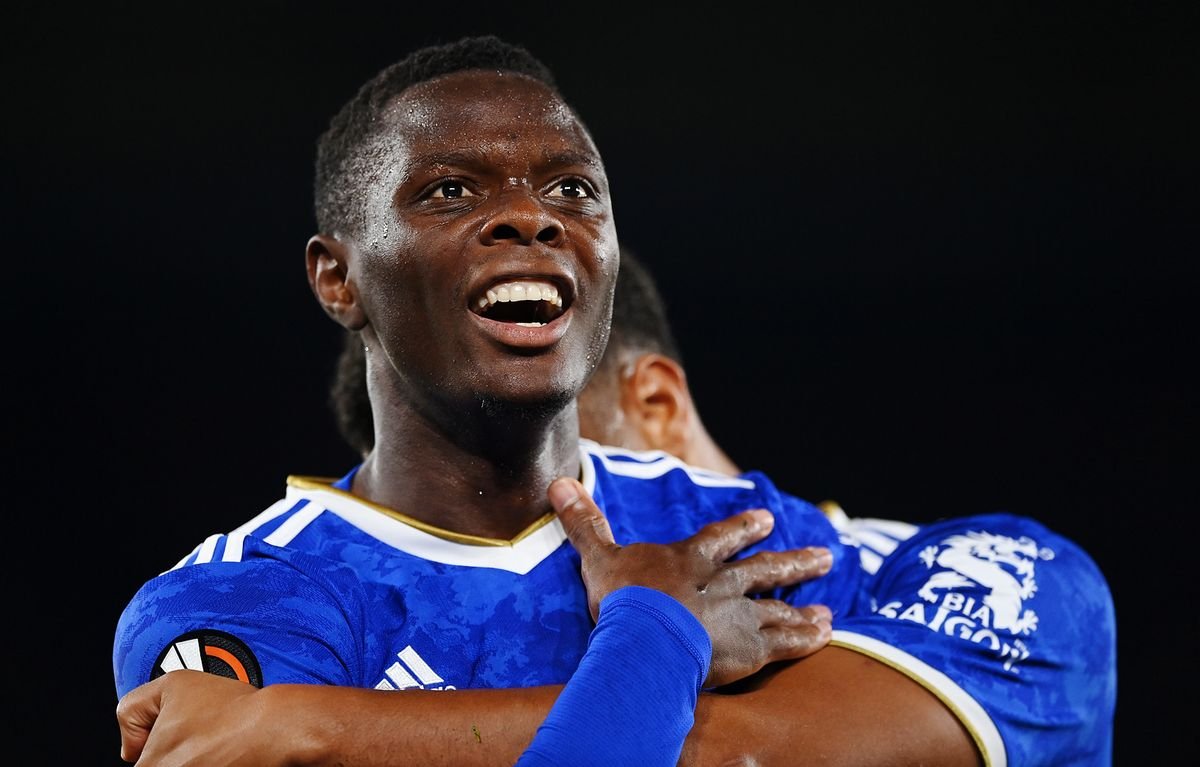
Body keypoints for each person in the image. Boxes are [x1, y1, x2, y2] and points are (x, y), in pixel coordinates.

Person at [114, 35, 1115, 766]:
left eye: (572, 190)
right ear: (339, 279)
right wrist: (663, 636)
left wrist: (319, 728)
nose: (529, 216)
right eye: (452, 190)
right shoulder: (243, 603)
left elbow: (1052, 618)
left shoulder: (738, 532)